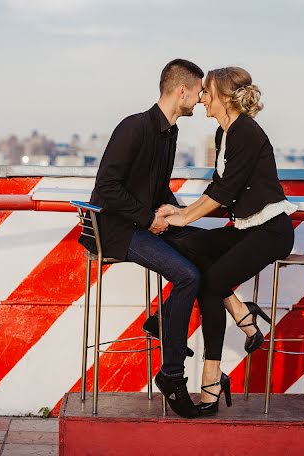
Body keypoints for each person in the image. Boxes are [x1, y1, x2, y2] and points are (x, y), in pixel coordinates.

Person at [158, 66, 296, 415]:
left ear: (223, 97)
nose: (201, 97)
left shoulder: (246, 132)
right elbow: (217, 188)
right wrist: (181, 214)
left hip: (270, 231)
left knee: (210, 283)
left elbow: (226, 190)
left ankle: (211, 380)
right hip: (244, 228)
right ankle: (242, 314)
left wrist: (183, 215)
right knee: (186, 243)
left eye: (206, 92)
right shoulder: (224, 135)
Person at [79, 59, 204, 418]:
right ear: (181, 91)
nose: (199, 100)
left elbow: (156, 185)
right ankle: (172, 377)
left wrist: (176, 214)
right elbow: (107, 188)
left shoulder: (170, 131)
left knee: (202, 247)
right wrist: (149, 219)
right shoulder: (134, 127)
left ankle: (162, 320)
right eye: (196, 92)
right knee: (188, 275)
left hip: (141, 223)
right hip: (115, 230)